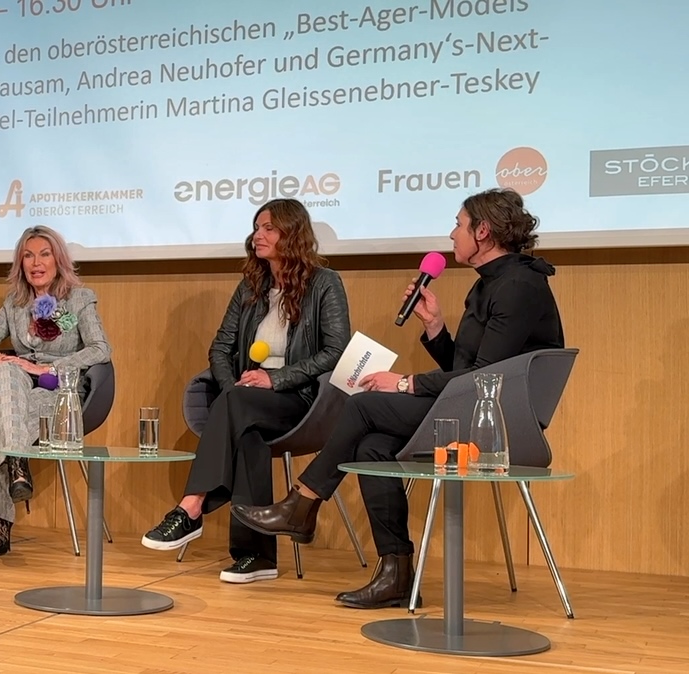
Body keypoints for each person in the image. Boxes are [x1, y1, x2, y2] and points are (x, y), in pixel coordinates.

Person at [233, 188, 565, 608]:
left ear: (483, 232)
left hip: (500, 422)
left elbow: (484, 378)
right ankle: (395, 574)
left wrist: (406, 383)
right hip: (473, 405)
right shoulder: (489, 285)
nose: (451, 235)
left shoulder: (519, 286)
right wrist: (435, 328)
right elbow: (465, 368)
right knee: (373, 446)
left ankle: (304, 502)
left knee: (364, 405)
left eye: (459, 226)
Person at [141, 199, 351, 583]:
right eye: (257, 227)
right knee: (247, 432)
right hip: (247, 398)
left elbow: (336, 351)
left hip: (301, 399)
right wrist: (231, 388)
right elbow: (220, 347)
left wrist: (276, 379)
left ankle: (192, 506)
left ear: (293, 232)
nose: (259, 235)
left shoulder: (325, 282)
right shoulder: (250, 285)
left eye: (269, 227)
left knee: (241, 410)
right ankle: (258, 557)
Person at [0, 225, 112, 556]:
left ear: (58, 260)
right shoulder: (14, 304)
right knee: (5, 376)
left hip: (57, 389)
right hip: (16, 385)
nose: (36, 263)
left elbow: (101, 349)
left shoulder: (79, 300)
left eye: (44, 254)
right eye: (28, 256)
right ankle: (17, 464)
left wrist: (53, 368)